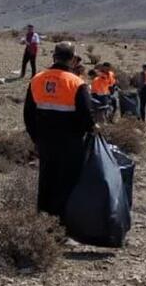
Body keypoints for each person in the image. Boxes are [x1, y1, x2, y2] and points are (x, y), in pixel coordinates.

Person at [23, 42, 96, 216]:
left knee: (46, 180)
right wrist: (91, 129)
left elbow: (28, 114)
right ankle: (62, 226)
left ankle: (43, 222)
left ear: (54, 57)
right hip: (71, 143)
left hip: (45, 142)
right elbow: (87, 115)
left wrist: (36, 138)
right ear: (72, 60)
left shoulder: (37, 79)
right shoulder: (77, 83)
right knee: (67, 182)